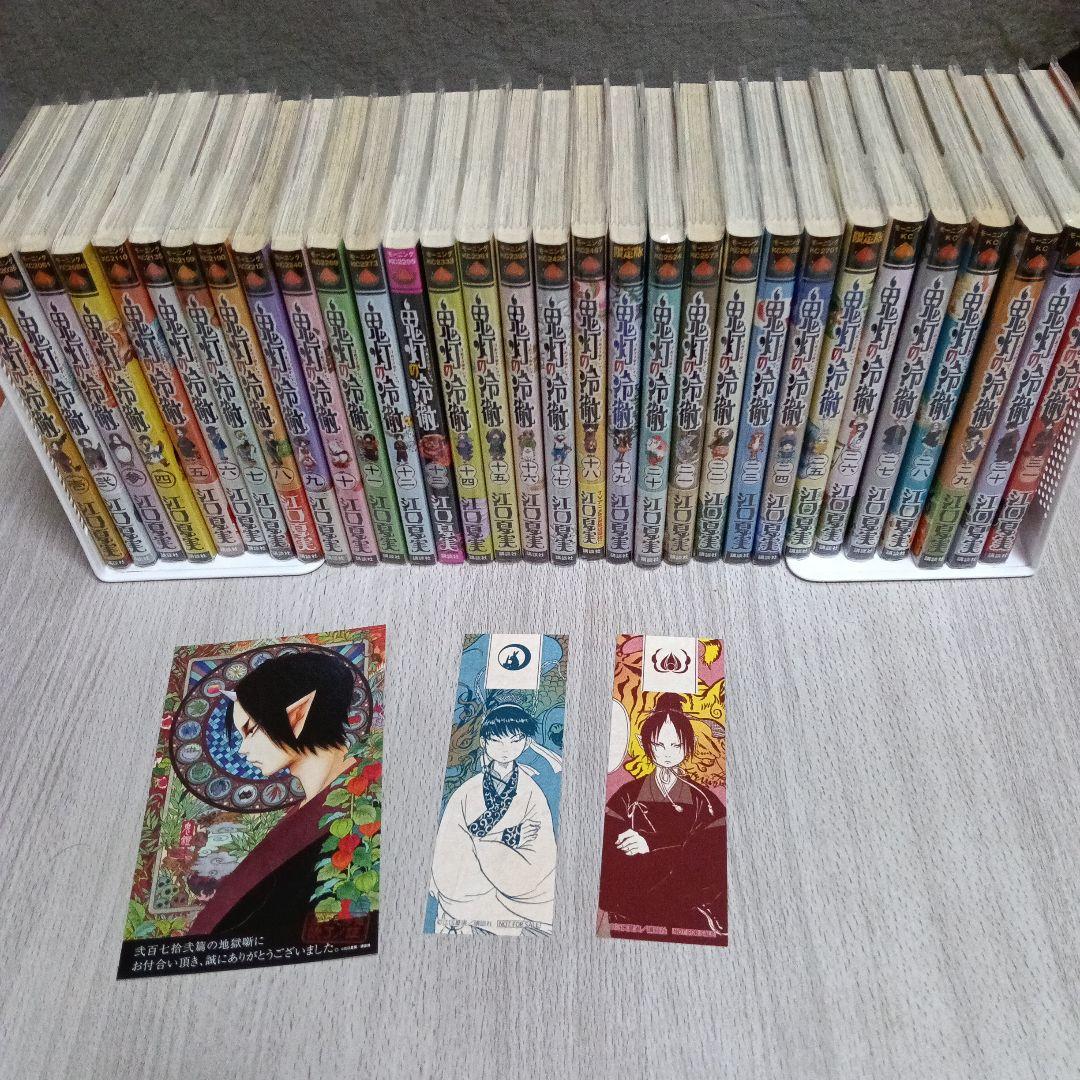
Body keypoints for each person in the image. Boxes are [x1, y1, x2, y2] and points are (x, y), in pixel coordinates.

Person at [189, 650, 373, 946]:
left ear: (297, 715)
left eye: (250, 731)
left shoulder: (366, 796)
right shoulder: (307, 807)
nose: (242, 750)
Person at [598, 693, 726, 938]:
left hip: (687, 912)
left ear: (689, 744)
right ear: (645, 743)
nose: (667, 752)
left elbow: (710, 860)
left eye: (676, 745)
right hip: (633, 912)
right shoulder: (627, 796)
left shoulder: (706, 801)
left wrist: (651, 846)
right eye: (659, 745)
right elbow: (607, 858)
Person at [429, 703, 556, 935]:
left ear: (526, 742)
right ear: (484, 742)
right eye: (497, 741)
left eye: (515, 740)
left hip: (517, 892)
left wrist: (484, 841)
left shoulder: (532, 793)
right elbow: (452, 842)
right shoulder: (466, 792)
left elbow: (540, 849)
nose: (505, 748)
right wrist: (508, 837)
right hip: (470, 887)